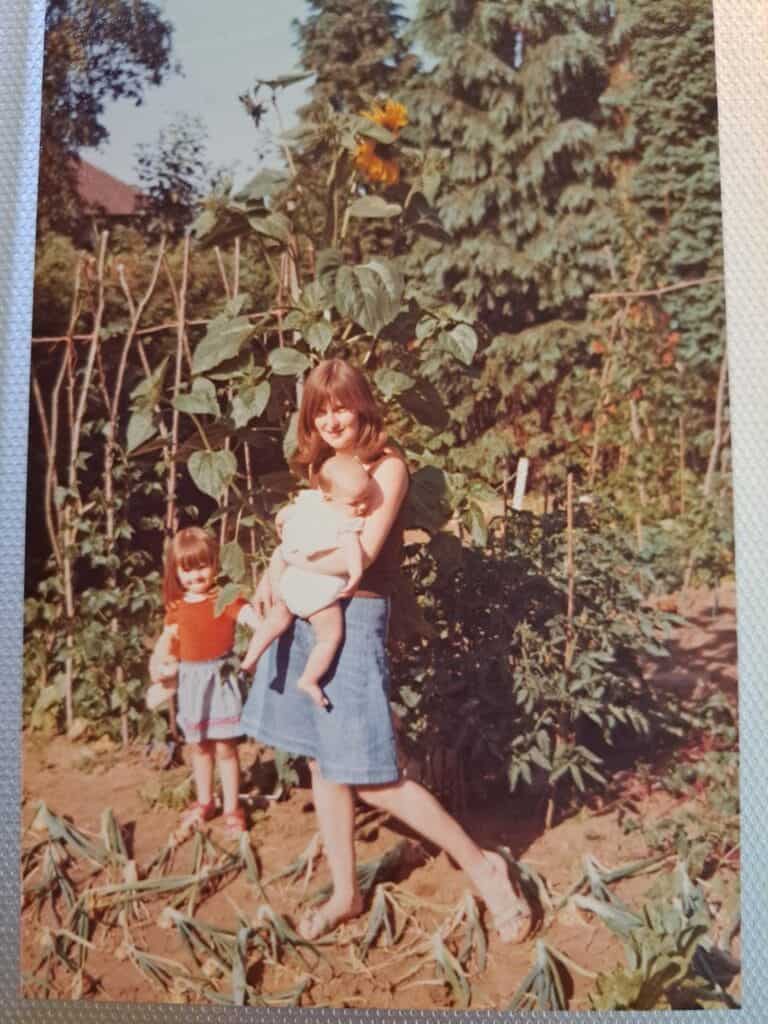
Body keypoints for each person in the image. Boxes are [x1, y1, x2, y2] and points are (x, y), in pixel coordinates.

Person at [240, 358, 531, 942]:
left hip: (351, 619)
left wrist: (292, 561)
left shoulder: (387, 467)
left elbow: (362, 557)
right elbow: (303, 528)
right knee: (324, 761)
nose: (331, 419)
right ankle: (347, 894)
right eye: (319, 411)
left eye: (341, 406)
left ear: (364, 405)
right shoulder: (325, 466)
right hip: (308, 615)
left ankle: (485, 868)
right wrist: (273, 575)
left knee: (373, 773)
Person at [149, 526, 260, 837]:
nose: (196, 575)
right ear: (176, 572)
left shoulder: (225, 598)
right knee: (199, 747)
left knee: (225, 747)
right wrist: (160, 666)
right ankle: (204, 801)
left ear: (215, 564)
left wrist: (260, 638)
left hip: (220, 679)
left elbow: (254, 621)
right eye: (187, 569)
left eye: (203, 566)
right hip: (191, 682)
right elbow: (168, 642)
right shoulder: (177, 608)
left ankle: (232, 808)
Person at [240, 453, 372, 709]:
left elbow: (284, 516)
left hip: (293, 583)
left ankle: (250, 659)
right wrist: (355, 573)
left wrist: (281, 523)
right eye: (356, 502)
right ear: (330, 498)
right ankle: (310, 679)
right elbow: (352, 547)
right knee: (330, 637)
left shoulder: (310, 504)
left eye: (366, 499)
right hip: (319, 593)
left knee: (276, 619)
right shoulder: (346, 521)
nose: (363, 507)